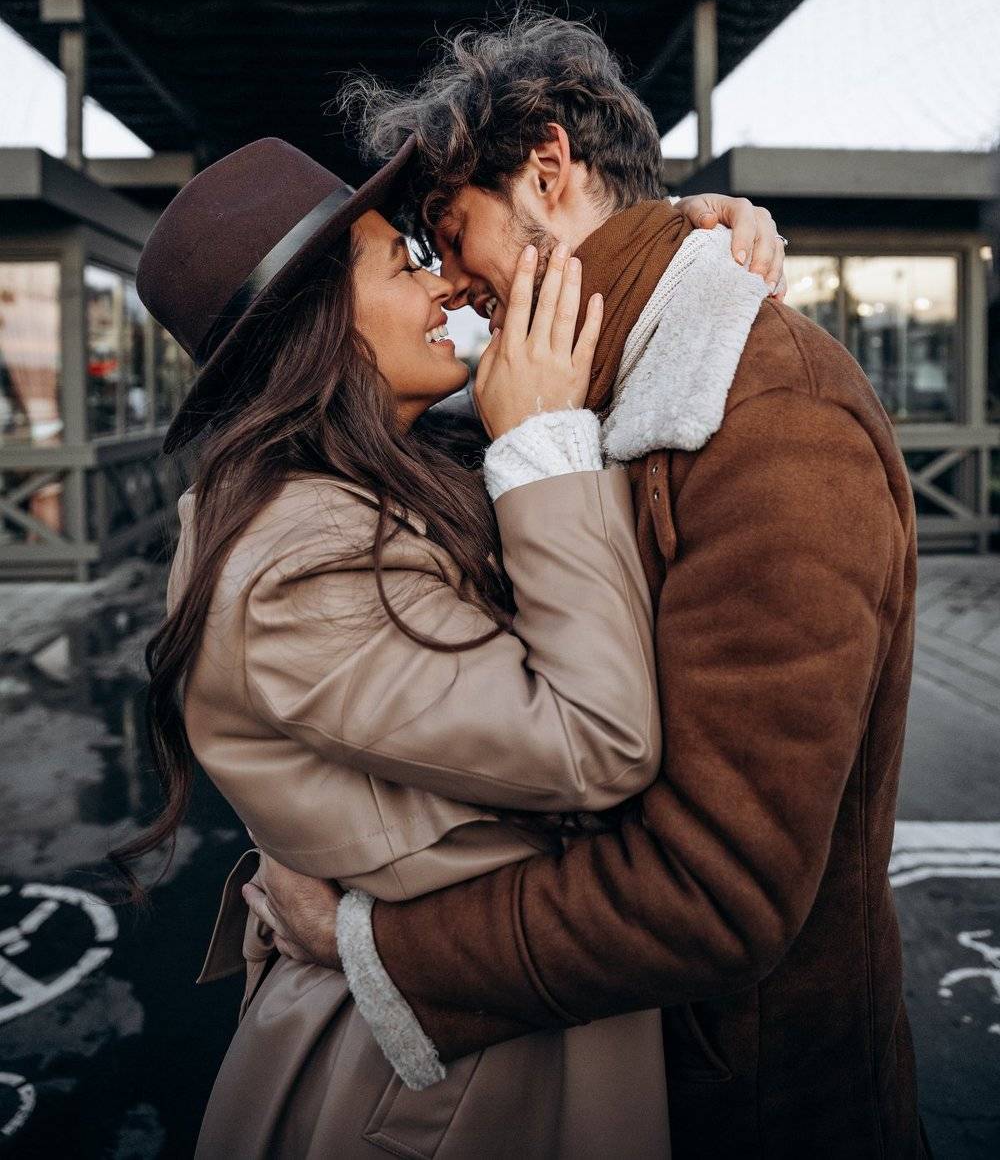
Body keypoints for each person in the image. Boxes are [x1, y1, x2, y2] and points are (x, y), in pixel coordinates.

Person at [247, 10, 931, 1159]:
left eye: (448, 229)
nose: (450, 281)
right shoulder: (563, 390)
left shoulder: (773, 421)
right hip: (605, 1086)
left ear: (547, 168)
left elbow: (717, 892)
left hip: (746, 1110)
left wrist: (366, 944)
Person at [116, 131, 784, 1159]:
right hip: (435, 1096)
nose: (443, 288)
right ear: (320, 327)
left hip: (493, 1039)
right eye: (402, 264)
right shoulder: (296, 563)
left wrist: (682, 246)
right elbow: (594, 742)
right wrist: (540, 447)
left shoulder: (380, 475)